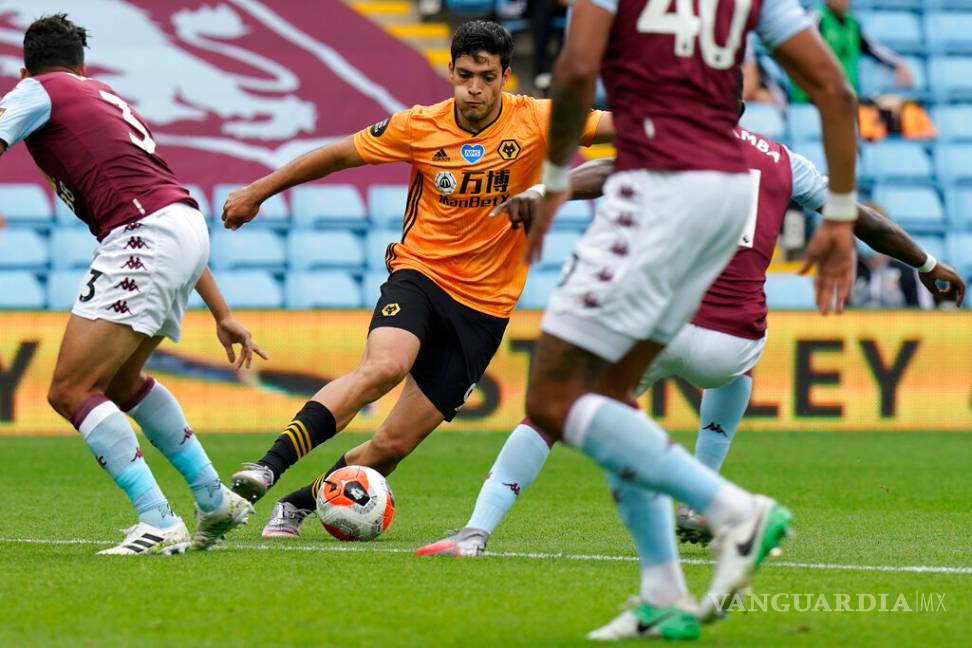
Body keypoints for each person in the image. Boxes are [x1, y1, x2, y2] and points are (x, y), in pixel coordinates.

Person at [416, 119, 965, 556]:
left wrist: (541, 191)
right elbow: (864, 219)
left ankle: (475, 531)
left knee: (552, 410)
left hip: (663, 326)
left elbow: (606, 170)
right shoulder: (783, 160)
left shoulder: (676, 138)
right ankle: (699, 497)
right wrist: (928, 263)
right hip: (732, 344)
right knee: (739, 369)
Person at [506, 0, 864, 638]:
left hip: (660, 183)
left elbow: (576, 69)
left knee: (556, 397)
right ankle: (663, 592)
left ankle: (733, 510)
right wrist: (838, 214)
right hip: (725, 195)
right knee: (613, 395)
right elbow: (835, 89)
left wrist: (555, 179)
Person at [219, 20, 613, 536]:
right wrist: (257, 191)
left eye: (487, 78)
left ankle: (296, 504)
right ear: (450, 72)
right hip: (421, 274)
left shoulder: (537, 118)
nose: (475, 89)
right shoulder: (419, 125)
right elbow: (336, 155)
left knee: (392, 446)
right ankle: (268, 467)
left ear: (505, 76)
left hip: (485, 308)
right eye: (465, 75)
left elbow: (622, 128)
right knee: (383, 368)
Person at [0, 14, 265, 555]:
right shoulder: (102, 96)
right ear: (84, 67)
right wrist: (222, 312)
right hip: (182, 227)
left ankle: (158, 520)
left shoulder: (36, 90)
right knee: (122, 383)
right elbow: (164, 204)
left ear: (26, 71)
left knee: (70, 391)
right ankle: (213, 498)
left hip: (143, 232)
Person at [791, 0, 913, 103]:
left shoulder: (853, 23)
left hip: (846, 96)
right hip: (815, 97)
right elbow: (802, 52)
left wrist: (899, 63)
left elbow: (873, 48)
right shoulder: (816, 18)